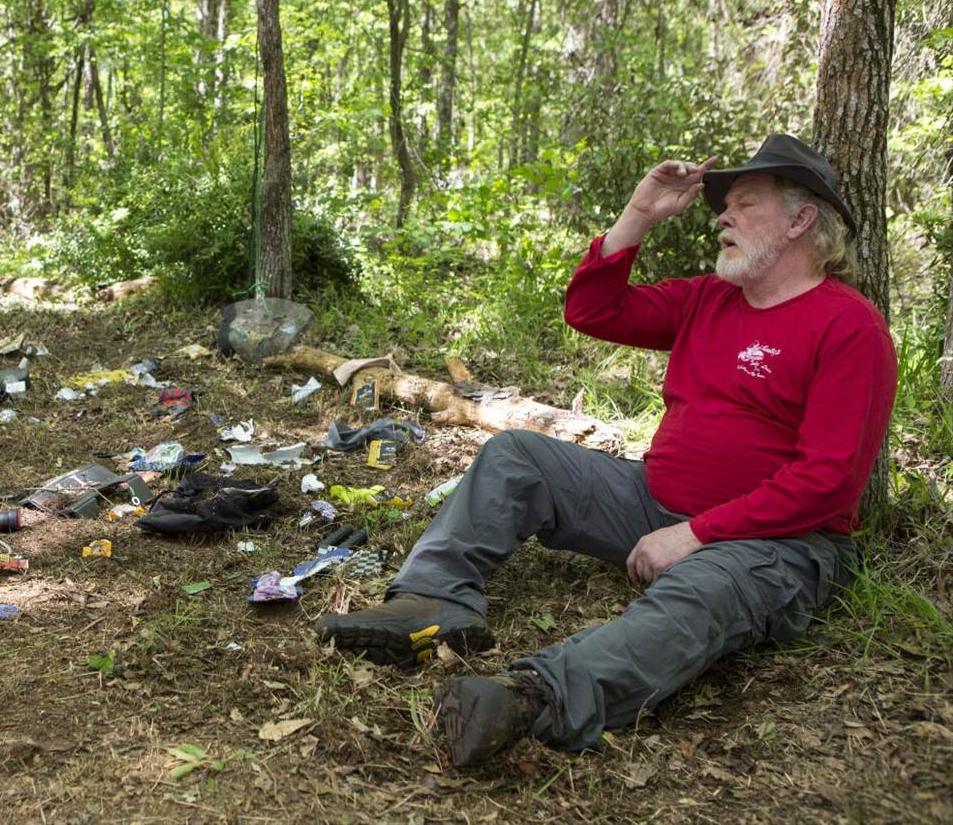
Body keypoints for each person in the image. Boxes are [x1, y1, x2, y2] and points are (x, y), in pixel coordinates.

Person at [314, 134, 897, 766]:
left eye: (745, 203)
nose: (723, 215)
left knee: (704, 592)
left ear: (800, 220)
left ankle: (533, 697)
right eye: (724, 204)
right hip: (653, 503)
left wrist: (697, 535)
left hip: (778, 544)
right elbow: (593, 309)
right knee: (517, 455)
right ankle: (432, 601)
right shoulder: (707, 298)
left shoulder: (850, 326)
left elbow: (828, 481)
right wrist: (638, 215)